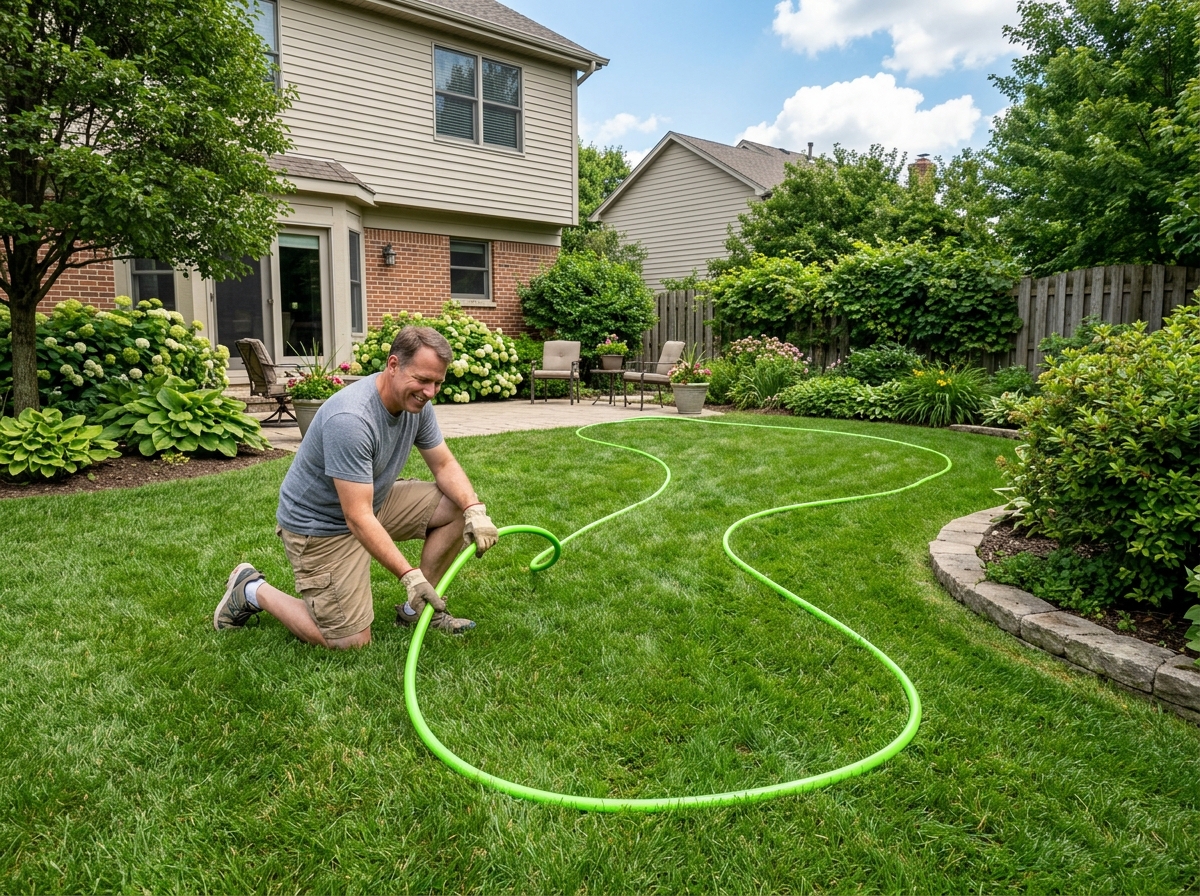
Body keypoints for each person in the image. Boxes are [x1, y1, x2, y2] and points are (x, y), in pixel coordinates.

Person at [213, 326, 499, 649]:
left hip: (371, 500)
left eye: (437, 383)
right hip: (322, 526)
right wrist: (409, 574)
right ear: (393, 366)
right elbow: (357, 518)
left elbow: (445, 465)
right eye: (423, 380)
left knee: (457, 507)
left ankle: (418, 610)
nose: (430, 391)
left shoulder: (416, 405)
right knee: (350, 640)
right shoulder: (351, 418)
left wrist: (474, 508)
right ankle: (251, 588)